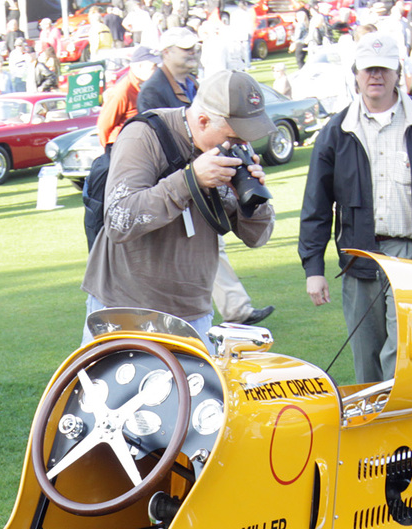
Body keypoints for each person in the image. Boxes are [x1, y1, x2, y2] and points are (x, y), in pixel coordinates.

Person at [298, 32, 412, 383]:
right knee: (366, 365)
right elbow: (316, 205)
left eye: (383, 69)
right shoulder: (336, 131)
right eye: (368, 69)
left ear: (398, 72)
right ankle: (374, 435)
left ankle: (405, 433)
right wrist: (313, 267)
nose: (375, 76)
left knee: (403, 358)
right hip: (358, 256)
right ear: (356, 74)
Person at [81, 70, 277, 343]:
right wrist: (190, 180)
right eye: (235, 138)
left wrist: (252, 198)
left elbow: (257, 238)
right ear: (203, 121)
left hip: (193, 314)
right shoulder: (144, 135)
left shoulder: (226, 153)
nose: (242, 145)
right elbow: (118, 219)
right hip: (125, 308)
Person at [99, 46, 158, 147]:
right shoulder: (123, 91)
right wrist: (109, 153)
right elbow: (104, 126)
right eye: (154, 67)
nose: (157, 70)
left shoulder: (147, 85)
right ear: (139, 67)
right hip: (123, 147)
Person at [136, 27, 202, 112]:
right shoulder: (152, 91)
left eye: (194, 47)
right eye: (186, 48)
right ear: (166, 53)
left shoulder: (192, 82)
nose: (193, 52)